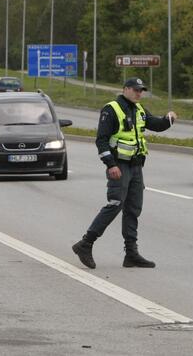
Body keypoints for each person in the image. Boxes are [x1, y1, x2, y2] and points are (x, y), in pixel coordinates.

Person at [72, 77, 177, 269]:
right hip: (119, 165)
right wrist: (110, 164)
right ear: (126, 89)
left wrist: (168, 119)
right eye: (136, 90)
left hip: (136, 166)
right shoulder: (111, 109)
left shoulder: (139, 110)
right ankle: (85, 244)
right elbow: (101, 140)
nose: (139, 93)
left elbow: (156, 124)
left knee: (133, 209)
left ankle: (131, 254)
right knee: (114, 205)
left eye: (141, 90)